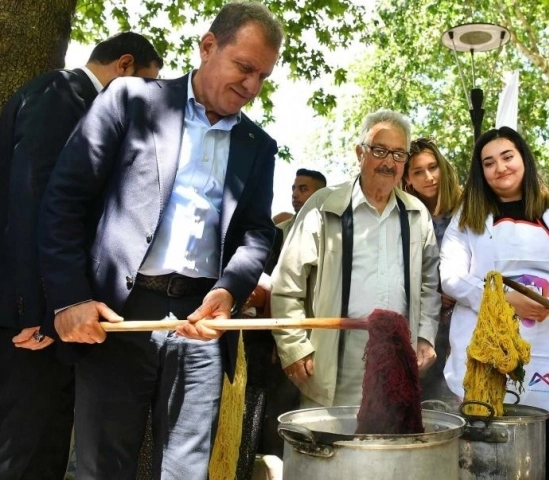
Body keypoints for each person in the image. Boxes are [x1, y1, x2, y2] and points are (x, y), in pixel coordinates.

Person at [36, 3, 283, 478]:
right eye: (245, 68)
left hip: (201, 326)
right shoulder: (128, 100)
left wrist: (229, 290)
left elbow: (256, 233)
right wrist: (69, 298)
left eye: (263, 76)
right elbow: (64, 201)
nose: (252, 86)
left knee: (187, 472)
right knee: (103, 467)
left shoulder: (259, 146)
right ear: (208, 46)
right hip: (117, 315)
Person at [0, 32, 162, 480]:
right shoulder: (62, 96)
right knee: (19, 451)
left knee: (46, 451)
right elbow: (31, 204)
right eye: (145, 86)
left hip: (51, 323)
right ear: (125, 66)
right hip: (30, 323)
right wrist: (38, 310)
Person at [439, 126, 549, 479]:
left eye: (507, 157)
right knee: (490, 457)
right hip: (490, 356)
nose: (501, 168)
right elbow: (449, 275)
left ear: (523, 158)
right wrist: (503, 301)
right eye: (489, 163)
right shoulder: (468, 217)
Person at [271, 109, 440, 407]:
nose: (389, 162)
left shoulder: (416, 215)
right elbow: (288, 283)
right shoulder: (323, 207)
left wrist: (425, 337)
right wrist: (294, 347)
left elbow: (429, 285)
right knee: (330, 449)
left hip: (396, 366)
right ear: (359, 152)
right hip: (332, 366)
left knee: (389, 449)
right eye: (379, 150)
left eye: (399, 154)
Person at [402, 137, 461, 401]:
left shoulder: (468, 206)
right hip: (422, 324)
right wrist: (434, 293)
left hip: (464, 320)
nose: (429, 177)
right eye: (418, 171)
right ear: (407, 180)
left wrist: (459, 288)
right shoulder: (404, 216)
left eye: (433, 167)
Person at [276, 168, 327, 241]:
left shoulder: (335, 229)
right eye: (293, 189)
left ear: (320, 194)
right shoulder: (279, 232)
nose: (294, 194)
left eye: (303, 189)